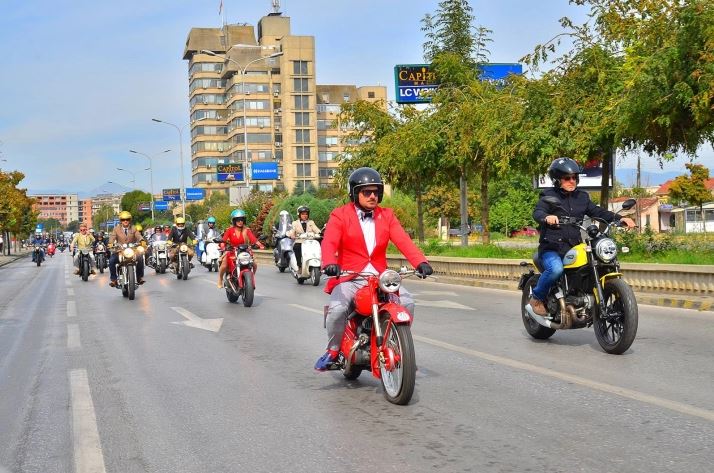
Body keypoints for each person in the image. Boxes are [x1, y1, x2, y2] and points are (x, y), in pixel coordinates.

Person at [315, 167, 433, 371]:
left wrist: (420, 262)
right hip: (349, 277)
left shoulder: (387, 216)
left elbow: (403, 241)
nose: (372, 196)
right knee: (337, 309)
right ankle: (333, 351)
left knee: (407, 301)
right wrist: (329, 263)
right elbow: (329, 242)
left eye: (376, 192)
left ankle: (396, 343)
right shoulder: (340, 215)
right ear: (354, 193)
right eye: (366, 192)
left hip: (380, 278)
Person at [527, 157, 635, 316]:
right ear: (557, 180)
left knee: (598, 262)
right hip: (552, 248)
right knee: (556, 269)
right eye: (567, 178)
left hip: (573, 246)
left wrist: (620, 219)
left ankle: (586, 298)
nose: (572, 181)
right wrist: (546, 217)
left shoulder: (582, 197)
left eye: (574, 177)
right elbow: (538, 212)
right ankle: (536, 297)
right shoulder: (548, 196)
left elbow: (598, 212)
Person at [216, 209, 265, 288]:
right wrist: (222, 245)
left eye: (242, 219)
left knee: (254, 265)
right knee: (224, 263)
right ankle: (220, 279)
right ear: (234, 221)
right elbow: (223, 240)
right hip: (232, 251)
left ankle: (249, 280)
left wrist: (260, 245)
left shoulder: (247, 230)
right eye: (238, 220)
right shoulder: (229, 230)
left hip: (245, 251)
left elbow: (253, 239)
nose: (240, 222)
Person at [108, 210, 146, 287]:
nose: (125, 221)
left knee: (140, 258)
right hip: (120, 250)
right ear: (120, 221)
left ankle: (139, 277)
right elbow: (112, 237)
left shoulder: (134, 228)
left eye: (127, 219)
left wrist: (142, 240)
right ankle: (114, 279)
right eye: (123, 219)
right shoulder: (116, 229)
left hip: (133, 250)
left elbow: (138, 235)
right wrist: (110, 243)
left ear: (130, 220)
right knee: (111, 261)